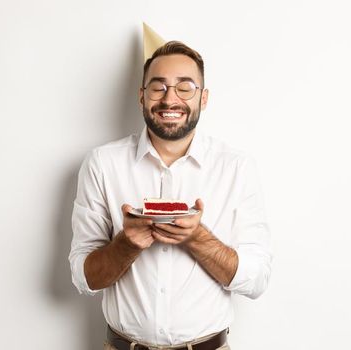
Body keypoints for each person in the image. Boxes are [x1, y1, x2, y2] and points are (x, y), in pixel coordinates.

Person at [69, 40, 273, 350]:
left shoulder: (236, 168)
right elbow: (84, 278)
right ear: (141, 96)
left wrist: (198, 239)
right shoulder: (102, 164)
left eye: (185, 87)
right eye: (158, 87)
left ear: (203, 98)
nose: (170, 99)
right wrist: (126, 244)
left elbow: (257, 280)